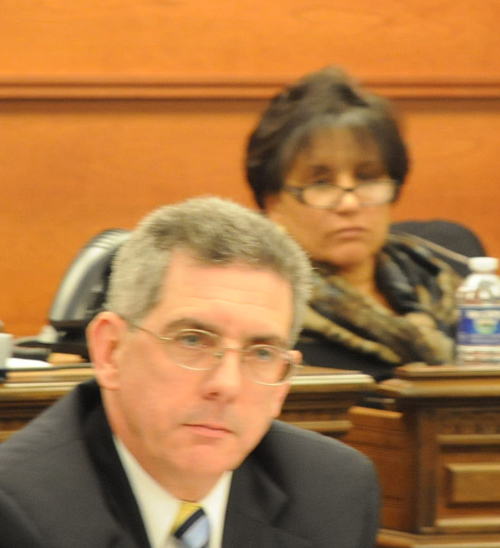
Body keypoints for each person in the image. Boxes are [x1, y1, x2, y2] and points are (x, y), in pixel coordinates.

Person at [0, 196, 380, 548]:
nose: (226, 385)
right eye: (193, 341)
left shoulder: (334, 493)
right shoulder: (17, 511)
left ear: (283, 383)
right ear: (110, 351)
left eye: (261, 352)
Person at [245, 66, 462, 382]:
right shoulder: (267, 316)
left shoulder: (445, 272)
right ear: (274, 203)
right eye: (321, 183)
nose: (350, 203)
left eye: (367, 178)